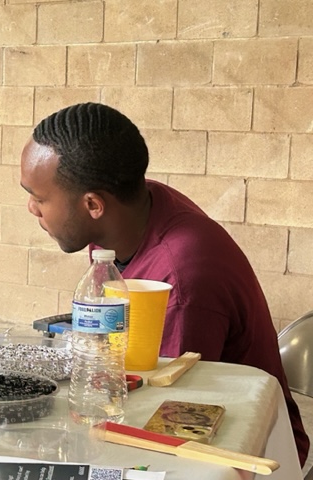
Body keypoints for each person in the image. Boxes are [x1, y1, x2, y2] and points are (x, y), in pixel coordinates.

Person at [19, 102, 310, 467]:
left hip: (242, 451)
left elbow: (165, 423)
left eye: (39, 197)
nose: (32, 208)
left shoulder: (179, 282)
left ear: (93, 204)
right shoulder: (129, 211)